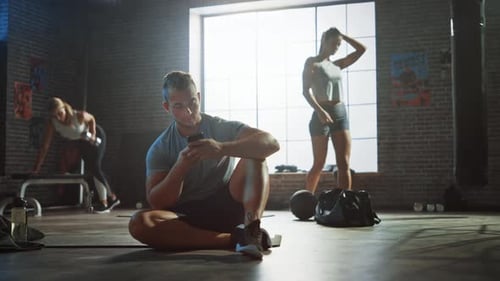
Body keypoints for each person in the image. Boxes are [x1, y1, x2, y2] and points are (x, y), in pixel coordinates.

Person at [128, 71, 279, 260]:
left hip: (229, 204)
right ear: (167, 107)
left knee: (256, 155)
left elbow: (272, 143)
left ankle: (251, 229)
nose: (188, 111)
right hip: (187, 218)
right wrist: (180, 167)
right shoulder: (160, 148)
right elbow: (157, 202)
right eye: (179, 106)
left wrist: (222, 148)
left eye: (192, 102)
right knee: (140, 223)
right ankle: (233, 239)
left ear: (198, 97)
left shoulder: (220, 127)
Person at [302, 27, 366, 193]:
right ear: (324, 40)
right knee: (319, 164)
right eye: (334, 43)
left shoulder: (337, 65)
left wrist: (343, 35)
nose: (336, 47)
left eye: (338, 44)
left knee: (343, 163)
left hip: (340, 113)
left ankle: (345, 203)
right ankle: (307, 200)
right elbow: (305, 91)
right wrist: (320, 111)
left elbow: (362, 49)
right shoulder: (312, 62)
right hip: (320, 113)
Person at [32, 97, 120, 213]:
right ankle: (104, 203)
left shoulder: (78, 115)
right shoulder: (52, 123)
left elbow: (92, 119)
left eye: (60, 113)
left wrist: (93, 134)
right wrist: (36, 168)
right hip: (82, 141)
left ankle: (112, 197)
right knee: (92, 169)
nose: (59, 118)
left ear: (64, 108)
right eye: (54, 115)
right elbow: (45, 147)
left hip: (95, 136)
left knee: (95, 167)